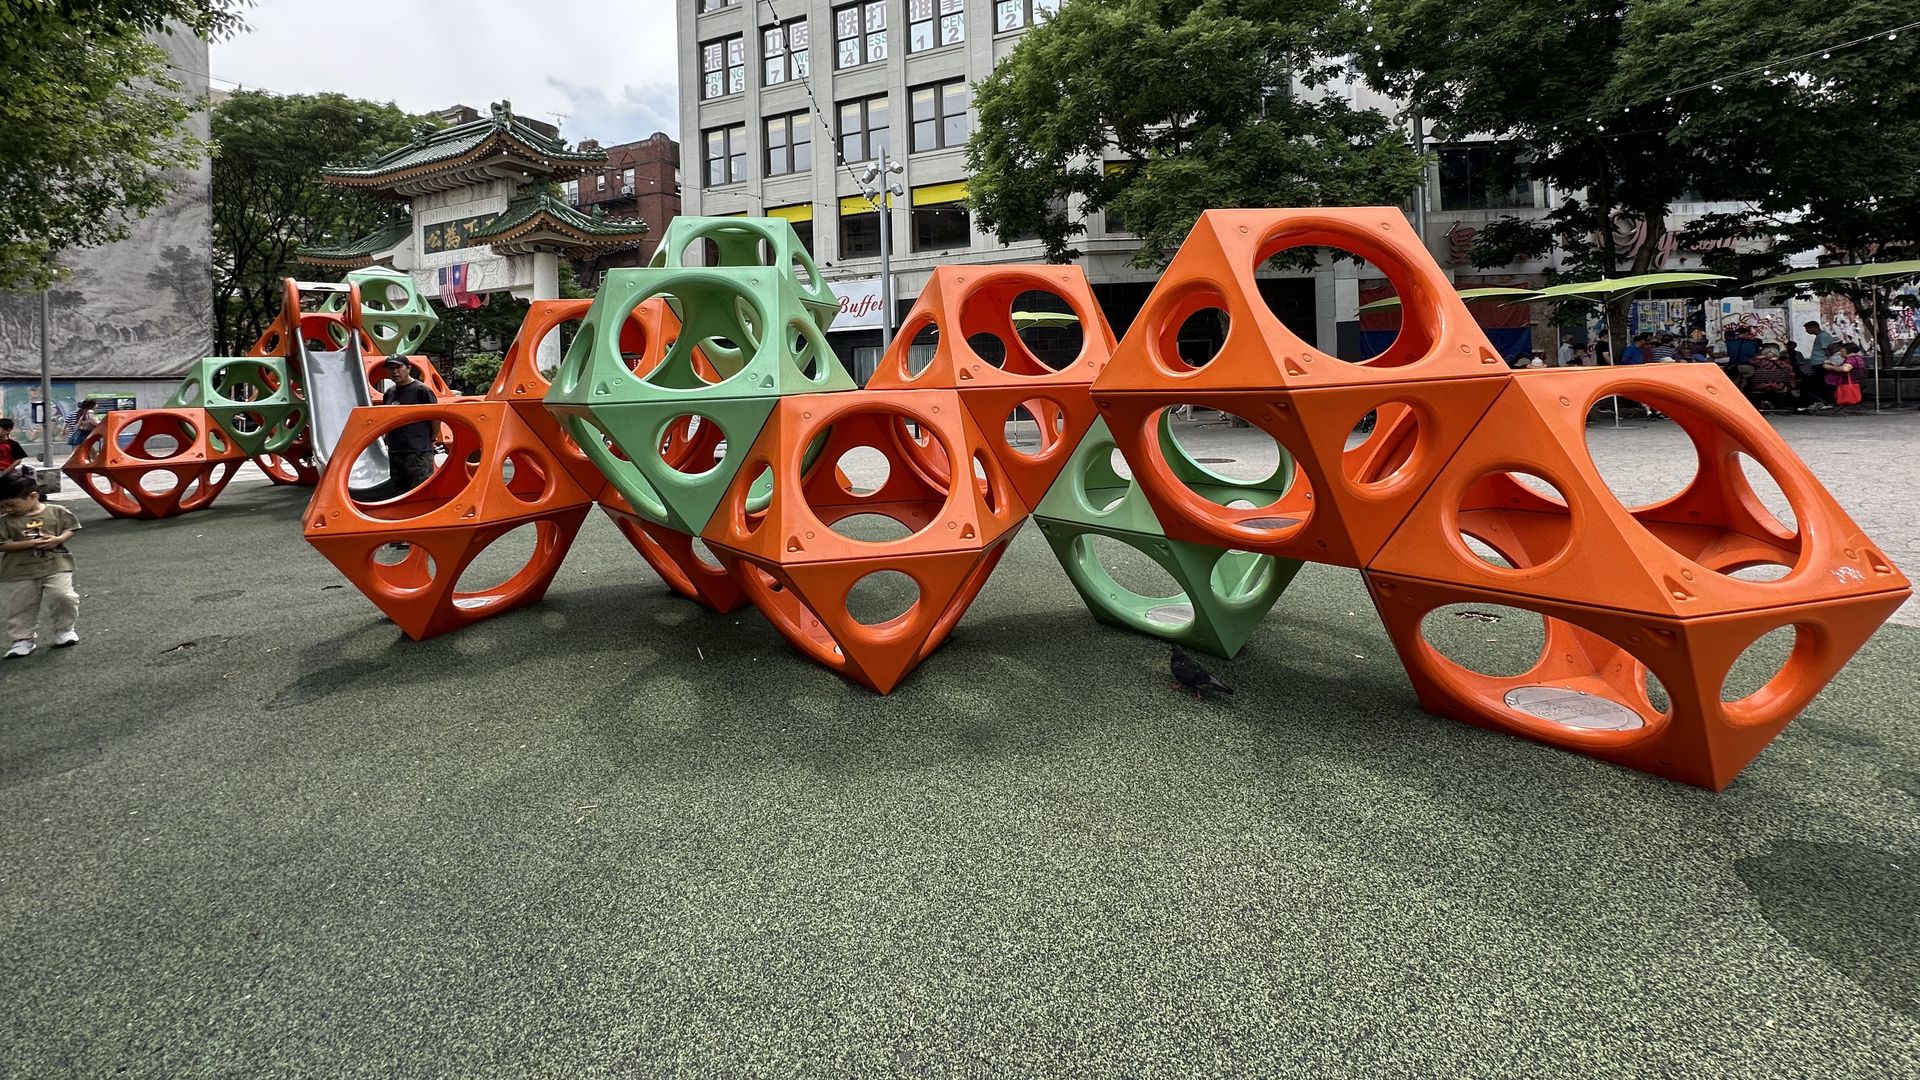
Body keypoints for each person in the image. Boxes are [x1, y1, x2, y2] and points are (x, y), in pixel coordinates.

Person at [0, 471, 81, 657]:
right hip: (20, 571)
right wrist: (30, 544)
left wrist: (59, 539)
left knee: (63, 596)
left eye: (11, 505)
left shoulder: (57, 511)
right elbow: (1, 544)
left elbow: (70, 528)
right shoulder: (4, 521)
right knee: (20, 605)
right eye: (2, 506)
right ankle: (22, 639)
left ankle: (65, 630)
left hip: (56, 564)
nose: (7, 509)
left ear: (33, 496)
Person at [378, 356, 438, 496]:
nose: (395, 372)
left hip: (418, 452)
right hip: (395, 451)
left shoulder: (422, 391)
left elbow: (435, 419)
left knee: (421, 492)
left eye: (399, 367)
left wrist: (430, 440)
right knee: (399, 493)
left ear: (409, 368)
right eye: (390, 369)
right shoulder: (389, 393)